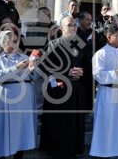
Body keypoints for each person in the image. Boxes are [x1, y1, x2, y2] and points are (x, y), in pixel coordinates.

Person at [39, 17, 87, 158]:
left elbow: (88, 65)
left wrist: (82, 71)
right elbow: (45, 68)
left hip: (76, 91)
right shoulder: (53, 45)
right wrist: (66, 73)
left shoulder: (81, 45)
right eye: (69, 25)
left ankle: (73, 151)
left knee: (74, 122)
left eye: (74, 25)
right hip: (59, 92)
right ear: (61, 28)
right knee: (59, 123)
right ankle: (57, 152)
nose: (73, 27)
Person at [0, 30, 38, 159]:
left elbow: (35, 77)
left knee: (22, 131)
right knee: (3, 130)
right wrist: (16, 68)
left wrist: (32, 69)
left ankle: (19, 155)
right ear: (3, 44)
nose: (15, 44)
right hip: (6, 98)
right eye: (11, 42)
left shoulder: (24, 57)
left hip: (25, 98)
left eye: (16, 41)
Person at [89, 24, 118, 158]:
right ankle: (102, 151)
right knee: (106, 121)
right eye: (117, 35)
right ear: (109, 37)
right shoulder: (100, 53)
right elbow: (98, 75)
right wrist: (116, 72)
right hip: (107, 91)